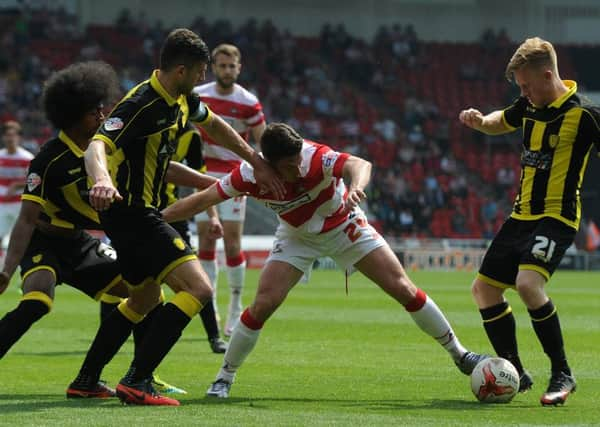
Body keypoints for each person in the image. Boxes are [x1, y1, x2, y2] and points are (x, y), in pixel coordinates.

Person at [162, 122, 488, 399]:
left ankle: (460, 354)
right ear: (269, 163)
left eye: (296, 160)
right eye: (288, 165)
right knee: (263, 304)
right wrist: (153, 221)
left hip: (344, 224)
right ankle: (224, 377)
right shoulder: (249, 176)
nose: (297, 167)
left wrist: (357, 187)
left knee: (403, 288)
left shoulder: (313, 156)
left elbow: (360, 165)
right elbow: (201, 199)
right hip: (296, 237)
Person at [71, 28, 284, 407]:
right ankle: (137, 381)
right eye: (201, 71)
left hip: (135, 215)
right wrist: (102, 178)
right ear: (182, 70)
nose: (204, 79)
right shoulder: (141, 102)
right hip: (133, 213)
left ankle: (86, 380)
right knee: (199, 289)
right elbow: (97, 147)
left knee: (144, 298)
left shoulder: (182, 100)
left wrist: (254, 160)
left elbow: (215, 125)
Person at [458, 37, 600, 406]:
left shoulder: (585, 114)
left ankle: (562, 373)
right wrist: (479, 121)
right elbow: (497, 122)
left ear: (547, 74)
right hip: (521, 217)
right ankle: (516, 372)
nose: (523, 93)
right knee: (483, 290)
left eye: (526, 85)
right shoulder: (528, 106)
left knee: (527, 283)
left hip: (557, 217)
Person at [0, 61, 130, 397]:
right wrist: (6, 271)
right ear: (72, 115)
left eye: (102, 110)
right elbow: (27, 219)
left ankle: (105, 378)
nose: (102, 118)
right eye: (94, 112)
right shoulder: (48, 160)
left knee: (138, 293)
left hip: (80, 243)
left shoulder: (103, 148)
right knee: (38, 301)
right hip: (45, 241)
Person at [193, 44, 266, 336]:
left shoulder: (248, 101)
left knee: (233, 241)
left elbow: (262, 139)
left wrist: (258, 170)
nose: (226, 70)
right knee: (206, 241)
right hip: (201, 173)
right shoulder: (201, 96)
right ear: (214, 67)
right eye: (221, 66)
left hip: (235, 175)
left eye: (231, 66)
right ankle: (209, 306)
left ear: (239, 68)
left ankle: (236, 306)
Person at [160, 123, 228, 353]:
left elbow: (200, 179)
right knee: (124, 284)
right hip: (138, 214)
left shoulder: (191, 135)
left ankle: (214, 337)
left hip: (173, 215)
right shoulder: (145, 122)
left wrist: (213, 216)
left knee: (197, 280)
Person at [0, 121, 34, 258]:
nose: (10, 138)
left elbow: (34, 180)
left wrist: (16, 185)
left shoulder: (27, 158)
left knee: (22, 237)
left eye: (13, 135)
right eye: (7, 135)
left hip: (19, 205)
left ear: (19, 137)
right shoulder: (0, 156)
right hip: (2, 204)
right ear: (3, 137)